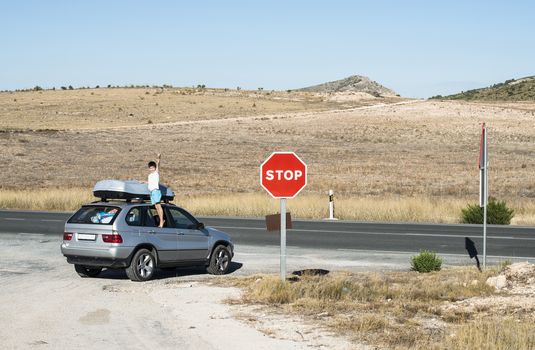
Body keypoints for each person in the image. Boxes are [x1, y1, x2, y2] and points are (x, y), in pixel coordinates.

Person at [148, 153, 165, 228]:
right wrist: (143, 182)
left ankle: (161, 221)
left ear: (155, 168)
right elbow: (150, 182)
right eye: (150, 168)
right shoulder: (150, 175)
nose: (152, 169)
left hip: (155, 191)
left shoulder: (156, 173)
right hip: (152, 192)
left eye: (153, 167)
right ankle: (161, 220)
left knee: (158, 206)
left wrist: (158, 158)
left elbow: (158, 164)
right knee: (156, 207)